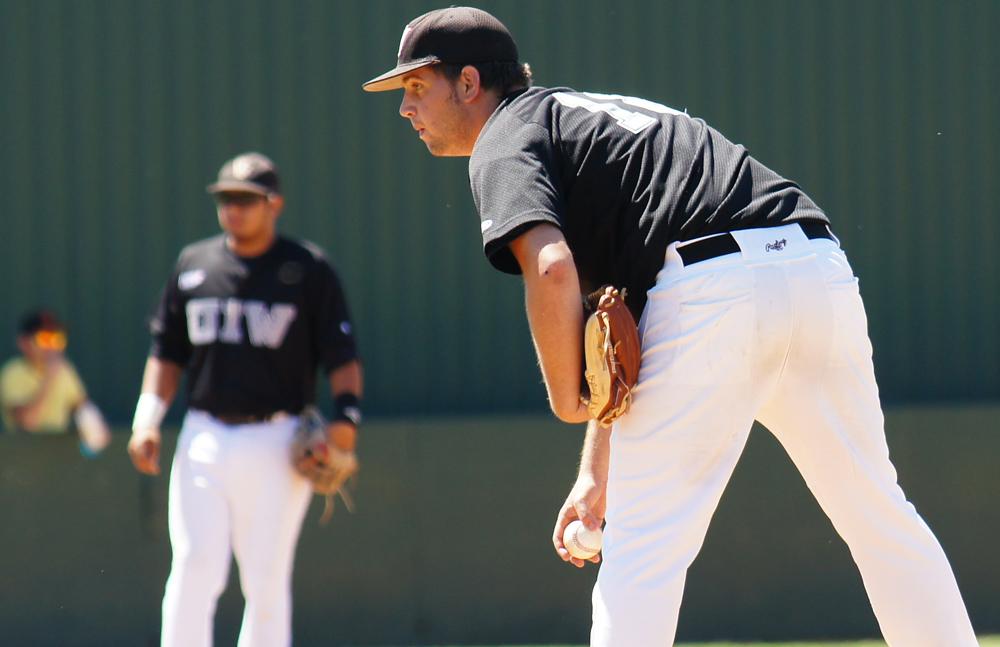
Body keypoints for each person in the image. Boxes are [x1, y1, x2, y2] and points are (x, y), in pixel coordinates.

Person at [364, 7, 979, 646]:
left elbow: (551, 269)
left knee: (643, 553)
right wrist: (597, 473)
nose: (406, 108)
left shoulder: (505, 135)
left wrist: (566, 398)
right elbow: (622, 307)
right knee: (879, 516)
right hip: (813, 263)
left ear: (469, 84)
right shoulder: (600, 116)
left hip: (711, 290)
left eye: (415, 87)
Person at [126, 152, 363, 647]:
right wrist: (147, 419)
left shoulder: (307, 269)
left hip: (278, 437)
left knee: (266, 578)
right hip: (204, 434)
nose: (233, 209)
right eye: (226, 199)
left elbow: (340, 354)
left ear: (273, 203)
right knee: (194, 565)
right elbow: (166, 350)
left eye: (245, 200)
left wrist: (346, 417)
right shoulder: (195, 264)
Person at [0, 309, 110, 456]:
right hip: (21, 458)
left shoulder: (64, 370)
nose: (53, 347)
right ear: (23, 343)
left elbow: (82, 407)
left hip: (55, 460)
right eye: (45, 339)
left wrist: (93, 426)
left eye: (58, 339)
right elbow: (26, 424)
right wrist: (50, 377)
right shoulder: (12, 373)